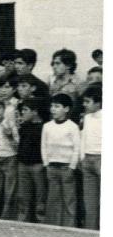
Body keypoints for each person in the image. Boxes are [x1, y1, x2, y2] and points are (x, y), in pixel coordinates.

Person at [42, 92, 80, 227]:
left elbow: (77, 148)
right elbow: (44, 146)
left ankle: (69, 226)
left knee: (69, 198)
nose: (53, 109)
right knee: (53, 198)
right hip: (52, 167)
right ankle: (53, 226)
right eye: (52, 106)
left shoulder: (72, 127)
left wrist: (72, 167)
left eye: (57, 106)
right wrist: (46, 164)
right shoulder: (47, 126)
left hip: (66, 167)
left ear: (66, 109)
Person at [15, 98, 47, 223]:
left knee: (40, 195)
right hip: (23, 164)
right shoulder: (23, 126)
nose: (23, 112)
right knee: (22, 195)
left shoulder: (44, 127)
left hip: (37, 165)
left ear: (35, 112)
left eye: (26, 110)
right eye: (22, 110)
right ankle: (22, 220)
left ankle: (41, 221)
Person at [79, 83, 101, 229]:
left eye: (88, 101)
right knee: (90, 200)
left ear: (98, 103)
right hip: (88, 159)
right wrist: (82, 157)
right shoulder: (87, 118)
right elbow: (84, 138)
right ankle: (90, 230)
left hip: (101, 159)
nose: (84, 104)